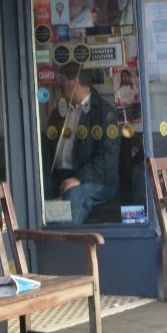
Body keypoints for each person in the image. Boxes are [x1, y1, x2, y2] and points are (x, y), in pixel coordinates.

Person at [44, 62, 120, 224]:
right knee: (35, 191)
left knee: (74, 196)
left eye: (61, 81)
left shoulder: (103, 113)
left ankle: (62, 245)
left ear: (75, 82)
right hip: (58, 175)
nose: (58, 86)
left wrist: (79, 178)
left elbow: (108, 157)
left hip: (95, 179)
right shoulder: (59, 112)